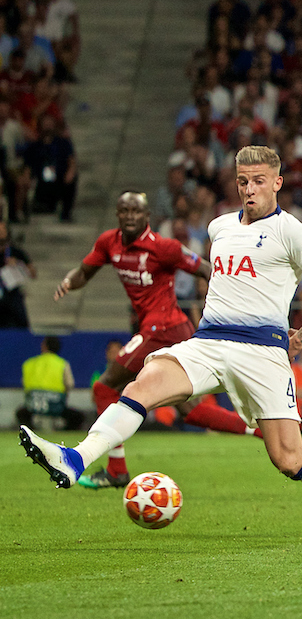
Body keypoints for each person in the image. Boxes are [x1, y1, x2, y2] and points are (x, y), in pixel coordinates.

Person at [19, 146, 302, 544]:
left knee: (288, 460)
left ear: (277, 182)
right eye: (243, 181)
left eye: (259, 181)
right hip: (208, 342)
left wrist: (301, 335)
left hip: (262, 352)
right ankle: (75, 459)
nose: (250, 189)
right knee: (140, 387)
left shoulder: (293, 231)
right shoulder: (219, 227)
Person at [53, 191, 260, 489]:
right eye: (124, 211)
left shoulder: (165, 248)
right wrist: (69, 282)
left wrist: (229, 302)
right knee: (190, 410)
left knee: (103, 387)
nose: (130, 216)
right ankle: (260, 432)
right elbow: (85, 271)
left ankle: (116, 471)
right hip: (157, 328)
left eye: (136, 212)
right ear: (118, 215)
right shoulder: (109, 242)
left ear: (147, 216)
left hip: (165, 327)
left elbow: (206, 269)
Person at [17, 336, 84, 431]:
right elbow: (69, 384)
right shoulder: (62, 364)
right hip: (56, 407)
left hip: (33, 406)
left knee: (21, 414)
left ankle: (30, 433)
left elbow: (24, 383)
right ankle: (63, 434)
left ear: (44, 346)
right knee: (78, 417)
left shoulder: (30, 363)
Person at [0, 220, 34, 328]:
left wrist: (19, 265)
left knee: (19, 325)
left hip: (12, 297)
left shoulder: (16, 252)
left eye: (2, 229)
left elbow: (33, 273)